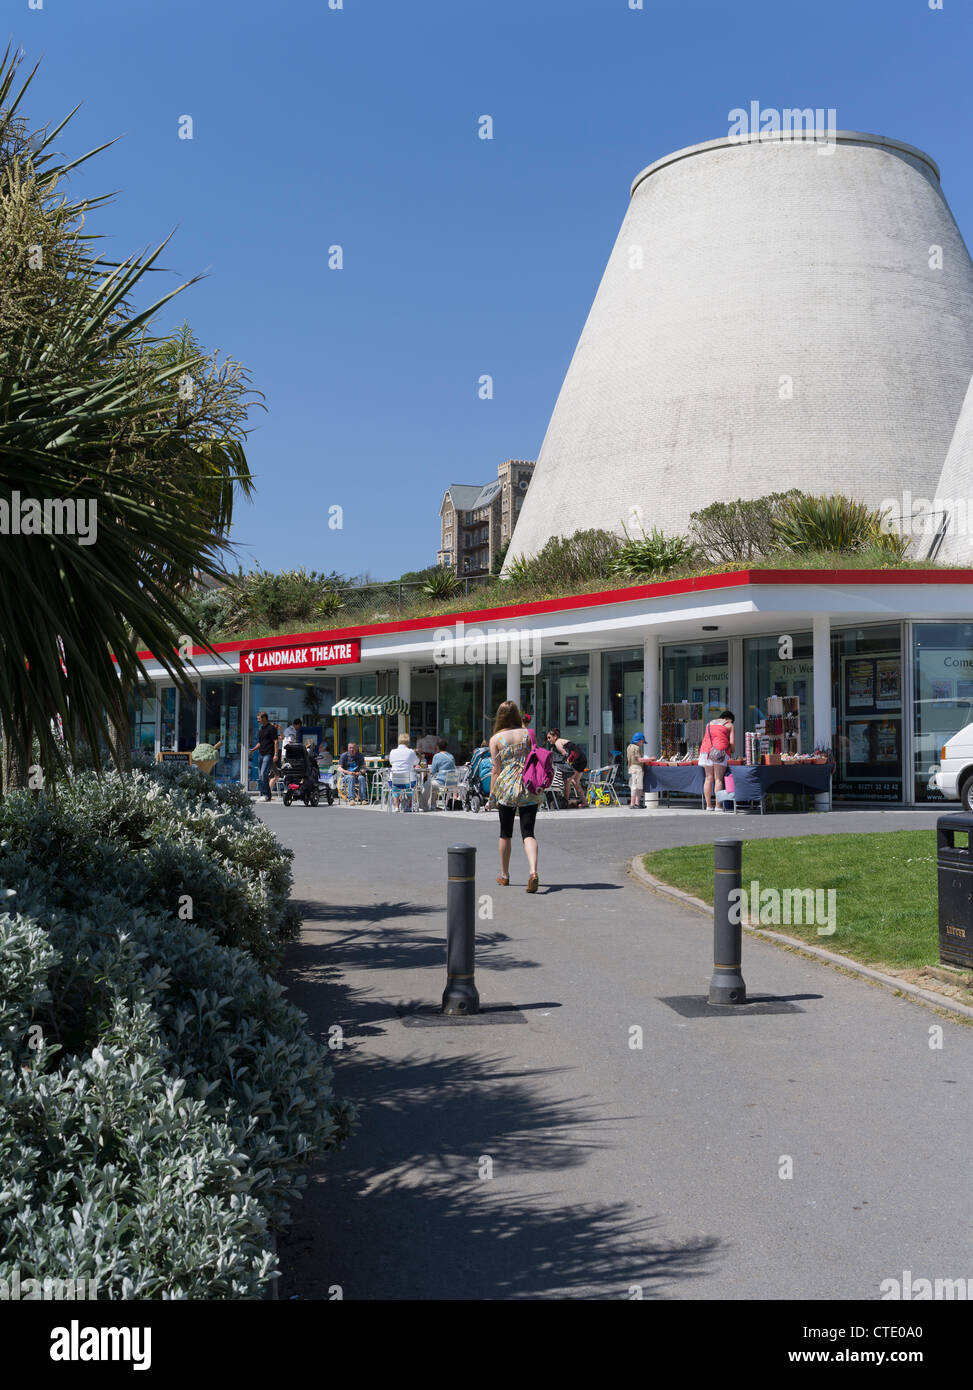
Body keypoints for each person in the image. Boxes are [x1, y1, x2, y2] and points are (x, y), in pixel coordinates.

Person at [490, 701, 542, 893]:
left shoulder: (496, 738)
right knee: (528, 833)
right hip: (528, 786)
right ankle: (533, 871)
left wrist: (492, 797)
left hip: (506, 788)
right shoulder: (528, 734)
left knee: (505, 833)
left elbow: (496, 770)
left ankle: (505, 875)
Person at [700, 709, 735, 810]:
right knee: (718, 779)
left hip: (705, 751)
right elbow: (732, 743)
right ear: (729, 719)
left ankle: (708, 805)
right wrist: (732, 750)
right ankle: (718, 805)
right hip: (719, 751)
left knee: (708, 778)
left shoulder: (709, 724)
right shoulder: (730, 725)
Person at [546, 728, 584, 806]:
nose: (548, 740)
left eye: (549, 738)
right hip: (582, 758)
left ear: (555, 736)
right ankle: (584, 802)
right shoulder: (562, 741)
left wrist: (566, 766)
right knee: (575, 782)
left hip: (577, 760)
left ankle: (565, 801)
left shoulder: (557, 743)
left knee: (567, 781)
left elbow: (565, 754)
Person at [419, 737, 457, 810]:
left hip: (442, 782)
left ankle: (423, 806)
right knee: (433, 784)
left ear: (437, 747)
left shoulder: (437, 756)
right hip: (451, 782)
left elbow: (432, 771)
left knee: (427, 784)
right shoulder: (451, 756)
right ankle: (433, 806)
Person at [250, 711, 279, 802]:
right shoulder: (261, 730)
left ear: (264, 718)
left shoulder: (271, 729)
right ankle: (265, 795)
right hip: (261, 755)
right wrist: (253, 750)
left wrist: (276, 754)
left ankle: (265, 794)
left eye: (259, 718)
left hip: (268, 754)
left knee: (263, 774)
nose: (258, 720)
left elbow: (276, 742)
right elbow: (260, 743)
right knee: (261, 775)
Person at [388, 733, 420, 811]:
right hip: (408, 781)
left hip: (394, 780)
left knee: (395, 787)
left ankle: (396, 806)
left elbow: (391, 762)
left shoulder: (392, 751)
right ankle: (410, 805)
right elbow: (417, 761)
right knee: (410, 786)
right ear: (408, 742)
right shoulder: (411, 752)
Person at [627, 732, 646, 808]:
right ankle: (633, 804)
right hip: (637, 767)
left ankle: (636, 803)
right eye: (642, 741)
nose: (642, 743)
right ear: (639, 740)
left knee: (636, 785)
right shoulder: (636, 748)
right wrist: (650, 759)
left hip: (632, 767)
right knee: (636, 786)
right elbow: (639, 759)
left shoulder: (629, 747)